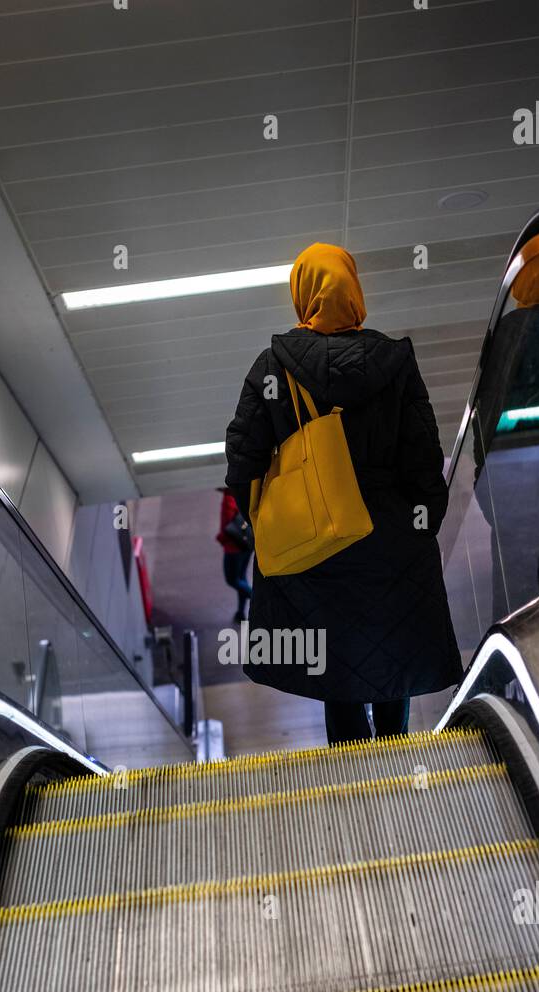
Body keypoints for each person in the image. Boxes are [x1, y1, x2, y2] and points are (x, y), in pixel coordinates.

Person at [225, 242, 462, 745]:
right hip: (392, 530)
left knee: (335, 656)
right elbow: (424, 454)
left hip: (317, 535)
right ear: (353, 289)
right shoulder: (396, 362)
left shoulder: (273, 367)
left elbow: (243, 461)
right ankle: (397, 747)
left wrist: (261, 522)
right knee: (394, 644)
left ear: (303, 294)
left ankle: (351, 759)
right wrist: (425, 518)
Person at [216, 487, 252, 622]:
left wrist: (220, 538)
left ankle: (255, 597)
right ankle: (241, 613)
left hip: (234, 548)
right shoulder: (243, 492)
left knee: (232, 580)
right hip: (247, 544)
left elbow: (228, 526)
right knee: (241, 578)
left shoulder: (229, 498)